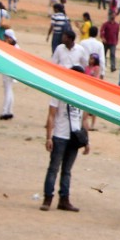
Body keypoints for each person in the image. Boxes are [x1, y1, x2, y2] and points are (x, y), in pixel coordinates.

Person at [41, 67, 91, 212]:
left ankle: (63, 199)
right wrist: (49, 137)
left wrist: (86, 140)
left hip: (74, 137)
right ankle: (48, 198)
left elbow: (84, 119)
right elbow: (51, 115)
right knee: (54, 169)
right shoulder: (59, 92)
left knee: (66, 170)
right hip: (60, 135)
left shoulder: (82, 95)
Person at [0, 28, 18, 120]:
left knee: (8, 91)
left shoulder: (12, 47)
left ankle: (5, 111)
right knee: (10, 90)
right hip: (11, 71)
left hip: (9, 71)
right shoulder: (16, 46)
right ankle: (9, 111)